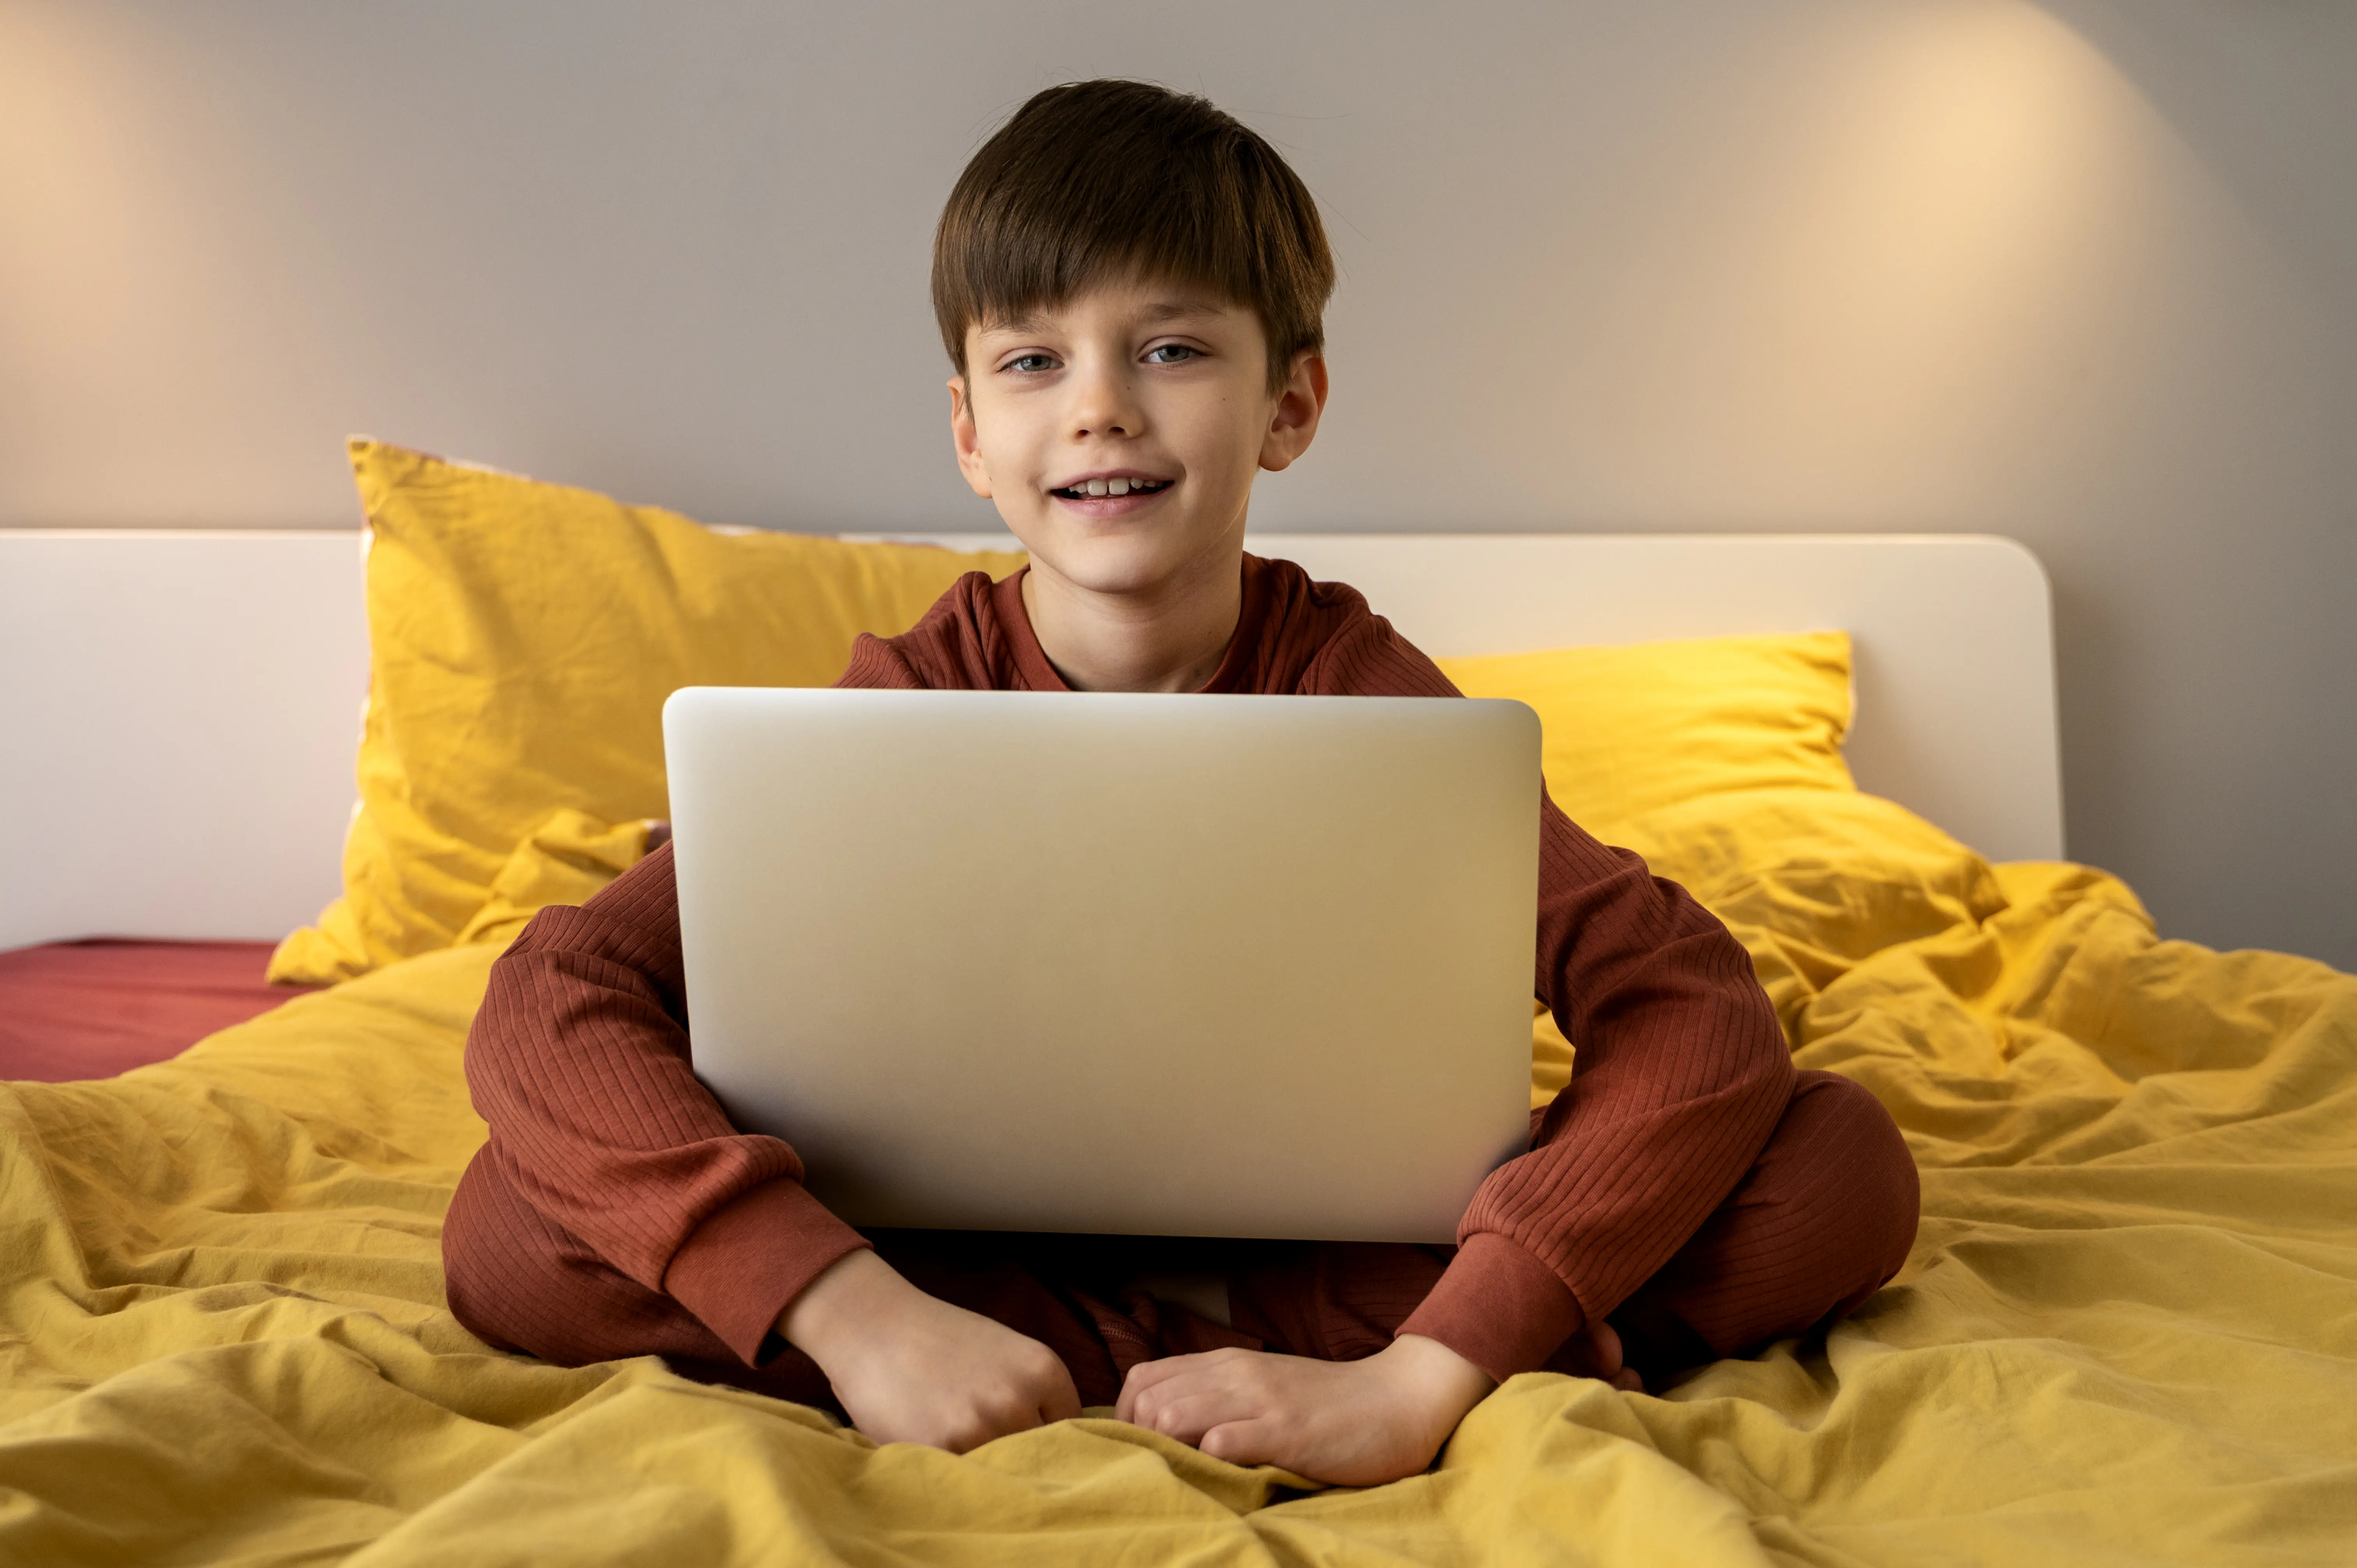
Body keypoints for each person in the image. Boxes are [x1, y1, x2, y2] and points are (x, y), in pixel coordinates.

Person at [443, 78, 1918, 1488]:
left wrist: (1427, 1376)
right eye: (1034, 362)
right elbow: (555, 989)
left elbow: (1692, 1007)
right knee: (512, 1228)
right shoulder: (908, 697)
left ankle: (1229, 1362)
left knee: (1837, 1168)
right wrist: (855, 1313)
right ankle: (1053, 1351)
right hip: (933, 1245)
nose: (1099, 409)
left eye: (1169, 351)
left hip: (1327, 1249)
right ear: (970, 434)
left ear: (1290, 405)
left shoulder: (1360, 690)